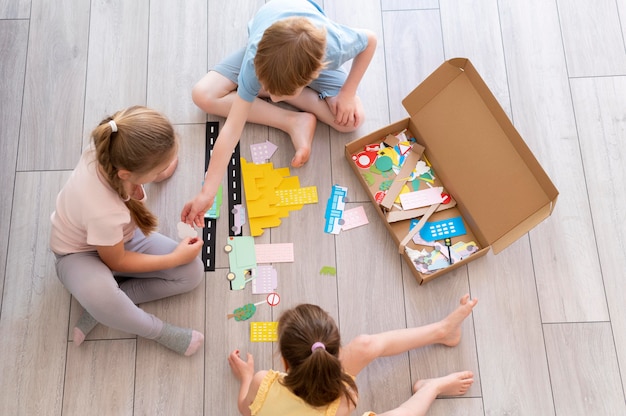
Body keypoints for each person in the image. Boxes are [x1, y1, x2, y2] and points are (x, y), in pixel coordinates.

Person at [182, 0, 377, 227]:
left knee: (352, 120)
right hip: (272, 43)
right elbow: (231, 130)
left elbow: (370, 40)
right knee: (203, 94)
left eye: (280, 94)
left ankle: (301, 108)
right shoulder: (255, 63)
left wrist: (347, 94)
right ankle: (293, 120)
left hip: (307, 48)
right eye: (268, 90)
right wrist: (207, 192)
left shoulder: (334, 47)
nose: (272, 99)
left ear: (312, 75)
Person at [50, 106, 205, 356]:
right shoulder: (104, 210)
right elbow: (116, 260)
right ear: (127, 174)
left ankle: (109, 306)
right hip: (77, 255)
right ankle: (156, 330)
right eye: (156, 170)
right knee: (102, 296)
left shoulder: (109, 149)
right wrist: (174, 258)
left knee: (192, 272)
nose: (160, 173)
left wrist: (160, 167)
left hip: (120, 237)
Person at [228, 294, 478, 415]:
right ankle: (431, 389)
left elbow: (244, 409)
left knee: (366, 344)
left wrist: (247, 378)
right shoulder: (345, 398)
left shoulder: (263, 381)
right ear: (337, 351)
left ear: (284, 359)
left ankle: (443, 331)